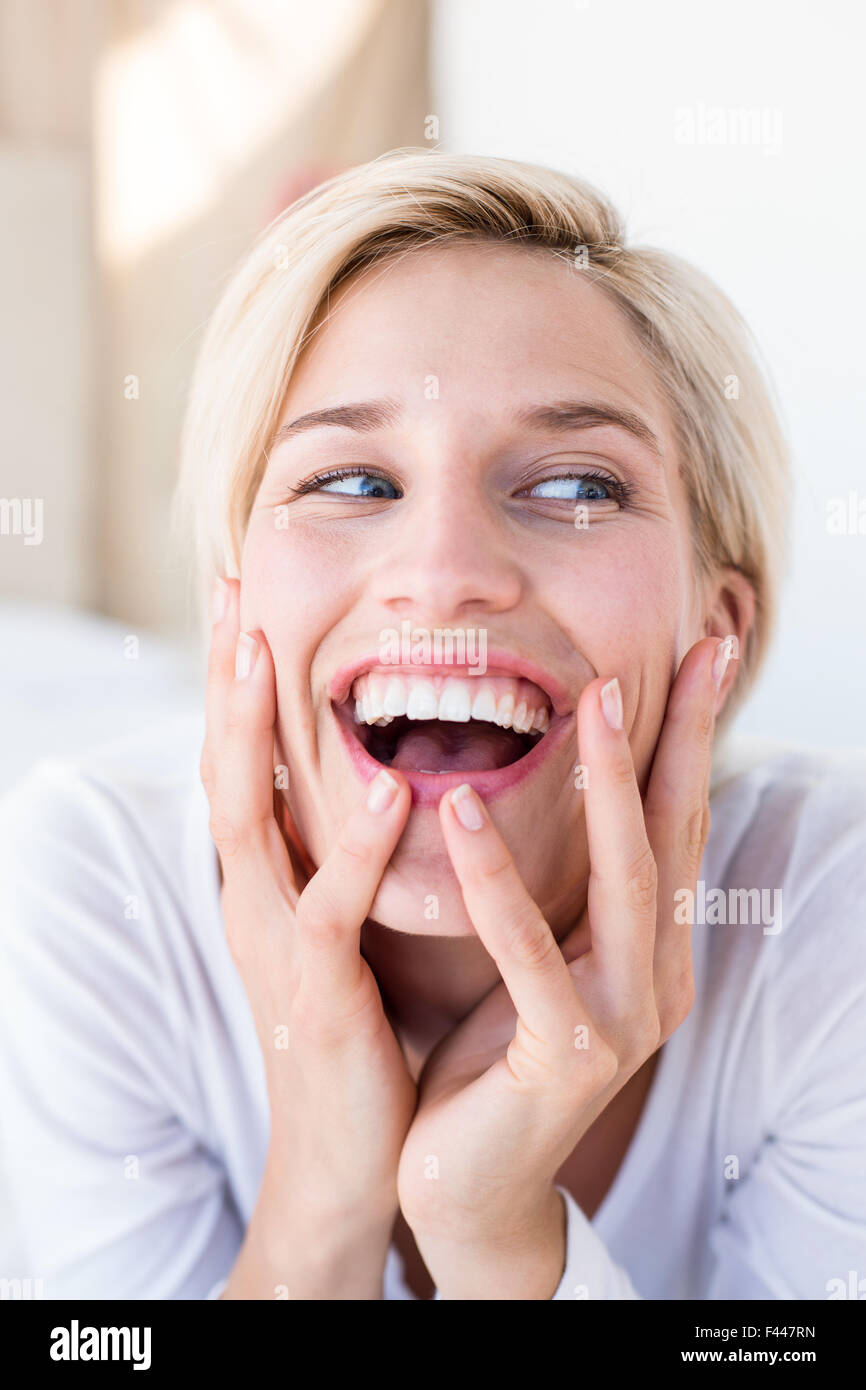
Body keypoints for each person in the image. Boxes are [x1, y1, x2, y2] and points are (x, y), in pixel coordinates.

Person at [1, 150, 864, 1300]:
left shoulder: (825, 916)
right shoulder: (88, 880)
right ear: (234, 605)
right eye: (351, 482)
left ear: (717, 634)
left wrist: (492, 1231)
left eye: (575, 487)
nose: (444, 573)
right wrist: (322, 1198)